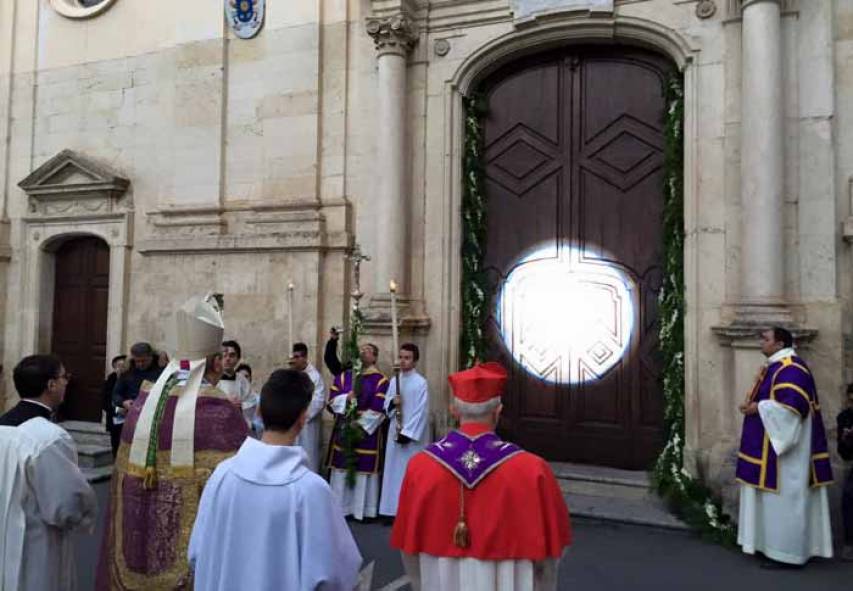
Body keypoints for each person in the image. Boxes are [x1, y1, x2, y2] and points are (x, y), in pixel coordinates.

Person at [96, 295, 248, 590]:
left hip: (135, 540)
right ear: (216, 363)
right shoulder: (221, 413)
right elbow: (242, 488)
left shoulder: (141, 404)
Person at [391, 362, 571, 590]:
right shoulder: (534, 469)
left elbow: (408, 546)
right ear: (498, 411)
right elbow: (552, 552)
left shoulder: (420, 466)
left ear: (454, 411)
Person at [188, 369, 362, 590]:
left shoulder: (222, 475)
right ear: (303, 418)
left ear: (258, 411)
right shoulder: (311, 491)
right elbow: (337, 573)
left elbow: (196, 553)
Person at [735, 327, 833, 566]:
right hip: (770, 446)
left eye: (766, 339)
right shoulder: (777, 365)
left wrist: (758, 407)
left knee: (784, 502)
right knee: (771, 503)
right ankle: (766, 546)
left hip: (786, 455)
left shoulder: (791, 368)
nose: (761, 342)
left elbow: (794, 410)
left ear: (779, 344)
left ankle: (786, 554)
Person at [0, 355, 97, 590]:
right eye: (64, 377)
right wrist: (85, 515)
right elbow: (67, 504)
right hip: (35, 547)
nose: (66, 383)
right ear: (51, 385)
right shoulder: (48, 438)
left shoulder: (2, 427)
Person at [326, 342, 389, 520]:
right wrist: (347, 397)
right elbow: (331, 401)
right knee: (341, 467)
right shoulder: (345, 377)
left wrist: (360, 424)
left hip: (365, 430)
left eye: (368, 350)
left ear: (375, 357)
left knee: (363, 468)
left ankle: (363, 510)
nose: (363, 352)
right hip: (344, 426)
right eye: (361, 349)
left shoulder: (381, 380)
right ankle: (340, 508)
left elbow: (379, 407)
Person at [379, 343, 430, 518]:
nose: (403, 361)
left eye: (407, 358)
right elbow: (386, 405)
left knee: (408, 471)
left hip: (410, 436)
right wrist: (393, 403)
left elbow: (421, 411)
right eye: (401, 357)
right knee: (393, 472)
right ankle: (390, 510)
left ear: (415, 361)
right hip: (395, 430)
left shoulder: (421, 383)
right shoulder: (395, 380)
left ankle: (409, 511)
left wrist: (407, 433)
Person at [289, 342, 327, 472]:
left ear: (304, 357)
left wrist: (303, 414)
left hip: (307, 424)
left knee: (308, 456)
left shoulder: (315, 377)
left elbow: (318, 400)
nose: (293, 360)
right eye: (292, 357)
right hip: (291, 422)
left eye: (297, 357)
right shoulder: (290, 374)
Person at [111, 342, 162, 434]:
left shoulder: (161, 369)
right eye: (137, 361)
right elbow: (116, 394)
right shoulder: (127, 370)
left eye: (144, 361)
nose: (140, 364)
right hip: (129, 415)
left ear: (151, 357)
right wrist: (123, 402)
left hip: (152, 417)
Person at [220, 339, 257, 428]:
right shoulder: (212, 380)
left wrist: (240, 406)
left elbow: (251, 402)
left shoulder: (242, 380)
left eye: (232, 355)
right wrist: (225, 404)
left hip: (237, 424)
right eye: (224, 355)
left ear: (238, 358)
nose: (227, 359)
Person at [838, 383, 853, 561]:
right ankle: (850, 543)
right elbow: (843, 454)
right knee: (849, 494)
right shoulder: (845, 418)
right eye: (850, 401)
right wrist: (846, 440)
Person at [103, 355, 127, 457]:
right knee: (116, 444)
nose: (121, 368)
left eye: (124, 365)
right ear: (114, 367)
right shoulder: (110, 381)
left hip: (129, 418)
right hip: (115, 419)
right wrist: (118, 410)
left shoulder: (130, 380)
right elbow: (104, 403)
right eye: (119, 365)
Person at [236, 363, 262, 437]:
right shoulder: (231, 400)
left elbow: (262, 425)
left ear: (251, 379)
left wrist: (250, 424)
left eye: (246, 376)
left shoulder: (258, 400)